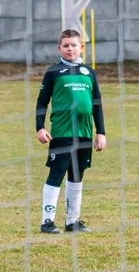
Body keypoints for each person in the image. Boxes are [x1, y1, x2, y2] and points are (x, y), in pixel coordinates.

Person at [34, 29, 107, 234]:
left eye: (73, 45)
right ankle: (47, 222)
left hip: (84, 133)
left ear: (81, 47)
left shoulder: (89, 72)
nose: (70, 49)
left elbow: (97, 104)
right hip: (62, 132)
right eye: (65, 46)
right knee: (57, 174)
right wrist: (40, 127)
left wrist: (100, 132)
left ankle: (72, 221)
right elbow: (41, 102)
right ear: (59, 48)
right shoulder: (53, 72)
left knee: (77, 175)